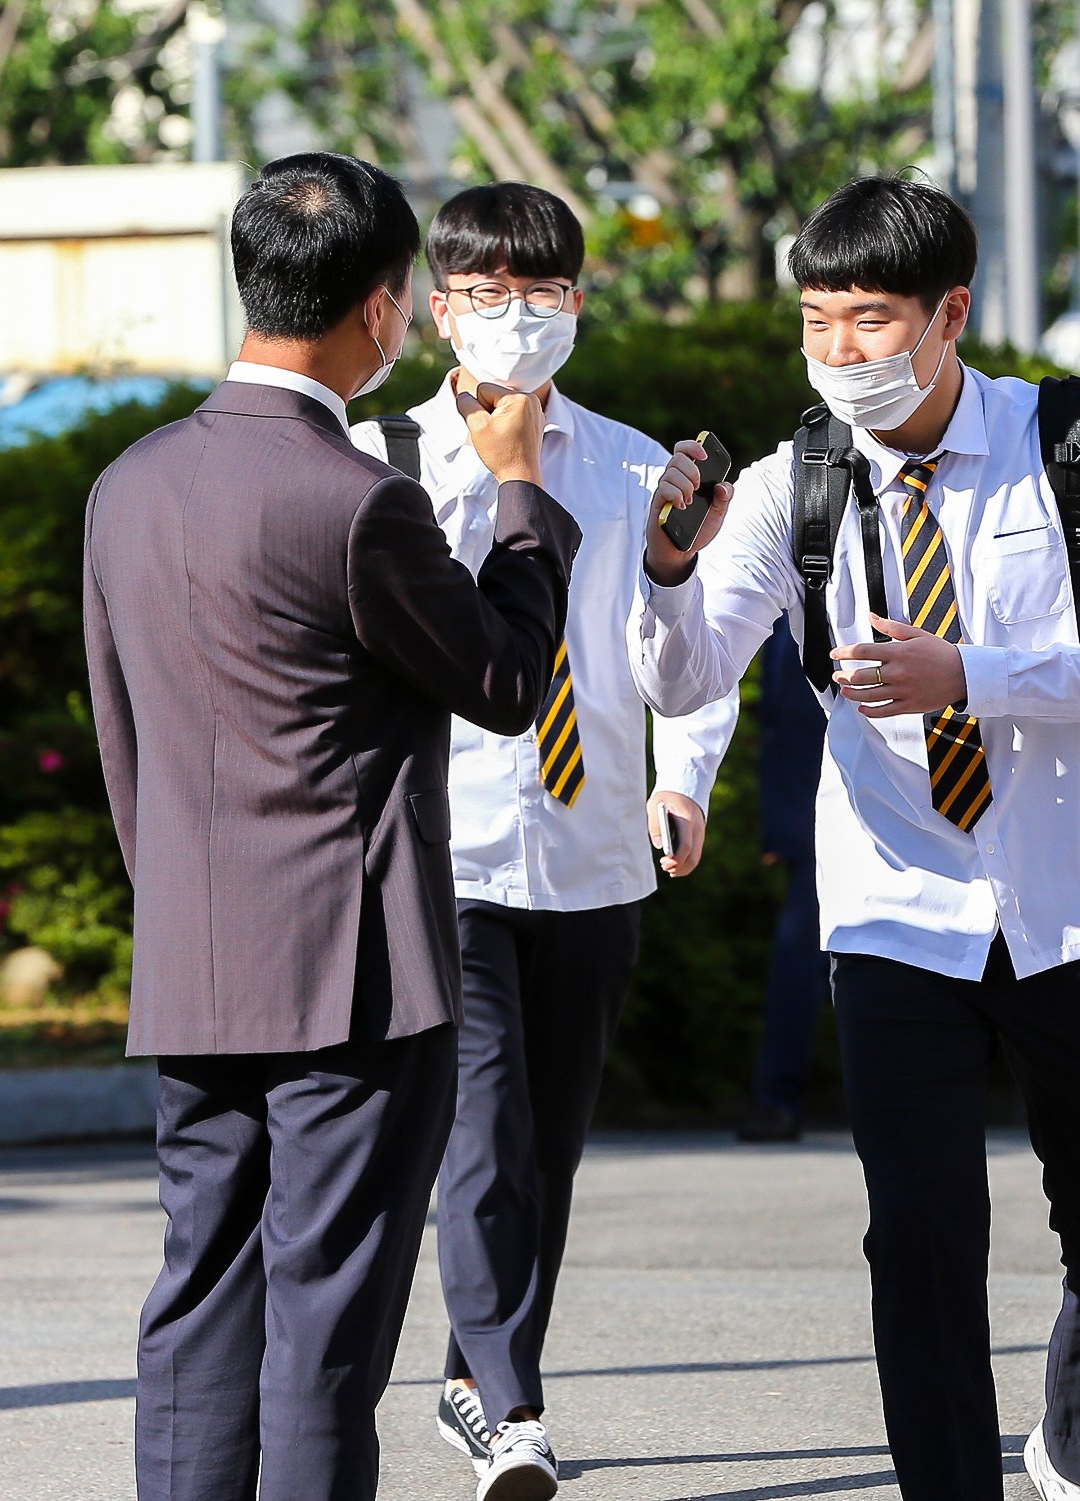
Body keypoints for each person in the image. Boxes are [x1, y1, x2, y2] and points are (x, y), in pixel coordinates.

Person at [627, 175, 1080, 1501]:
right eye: (817, 322)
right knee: (923, 1238)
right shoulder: (792, 484)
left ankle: (1071, 1444)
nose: (840, 354)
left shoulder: (1069, 442)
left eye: (870, 321)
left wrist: (975, 676)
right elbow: (691, 674)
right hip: (896, 909)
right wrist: (662, 572)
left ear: (950, 315)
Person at [83, 152, 580, 1501]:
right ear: (377, 308)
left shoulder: (125, 485)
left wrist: (176, 904)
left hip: (193, 949)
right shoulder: (360, 498)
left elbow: (122, 740)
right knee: (325, 1321)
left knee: (200, 1288)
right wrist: (524, 497)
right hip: (353, 972)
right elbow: (503, 677)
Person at [348, 182, 738, 1501]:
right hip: (441, 855)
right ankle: (514, 1412)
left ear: (579, 300)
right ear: (436, 307)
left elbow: (687, 676)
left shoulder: (636, 468)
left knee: (545, 1147)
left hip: (591, 854)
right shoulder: (379, 464)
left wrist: (681, 770)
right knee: (485, 1132)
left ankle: (471, 1370)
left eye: (543, 289)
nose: (516, 316)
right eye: (487, 291)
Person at [736, 615, 831, 1144]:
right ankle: (778, 1099)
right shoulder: (796, 601)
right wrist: (784, 828)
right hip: (816, 822)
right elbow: (785, 719)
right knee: (801, 962)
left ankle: (779, 1100)